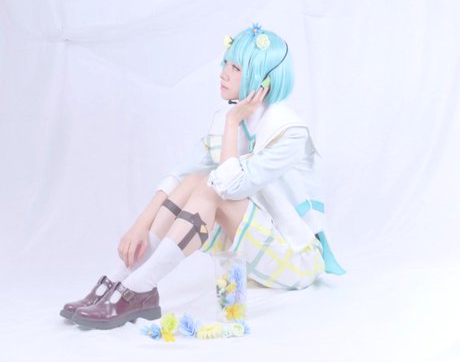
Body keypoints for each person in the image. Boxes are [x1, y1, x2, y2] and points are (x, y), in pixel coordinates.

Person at [60, 23, 344, 330]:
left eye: (236, 68)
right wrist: (140, 225)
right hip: (253, 259)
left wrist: (232, 123)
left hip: (296, 259)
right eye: (226, 63)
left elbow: (231, 187)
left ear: (263, 80)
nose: (223, 73)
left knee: (211, 187)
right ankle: (120, 278)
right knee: (197, 178)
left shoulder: (288, 132)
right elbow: (183, 173)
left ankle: (140, 287)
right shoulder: (227, 120)